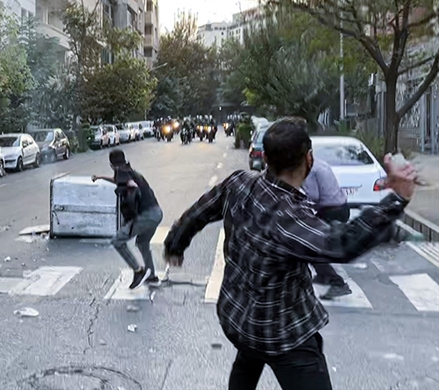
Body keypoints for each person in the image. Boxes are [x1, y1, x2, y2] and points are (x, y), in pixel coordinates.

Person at [163, 117, 417, 390]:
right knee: (264, 350)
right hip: (284, 335)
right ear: (309, 159)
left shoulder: (238, 183)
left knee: (248, 354)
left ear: (265, 157)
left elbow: (200, 211)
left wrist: (175, 244)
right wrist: (398, 199)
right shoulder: (290, 217)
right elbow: (343, 243)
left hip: (236, 317)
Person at [93, 149, 164, 289]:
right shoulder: (129, 171)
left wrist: (129, 217)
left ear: (112, 165)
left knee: (117, 241)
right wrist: (101, 177)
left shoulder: (123, 173)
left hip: (146, 216)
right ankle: (151, 276)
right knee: (142, 244)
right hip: (156, 213)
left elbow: (131, 185)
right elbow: (119, 181)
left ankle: (138, 271)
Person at [302, 155, 353, 300]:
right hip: (339, 208)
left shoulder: (310, 170)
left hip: (332, 211)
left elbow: (313, 195)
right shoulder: (320, 163)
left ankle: (337, 283)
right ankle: (324, 275)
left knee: (311, 247)